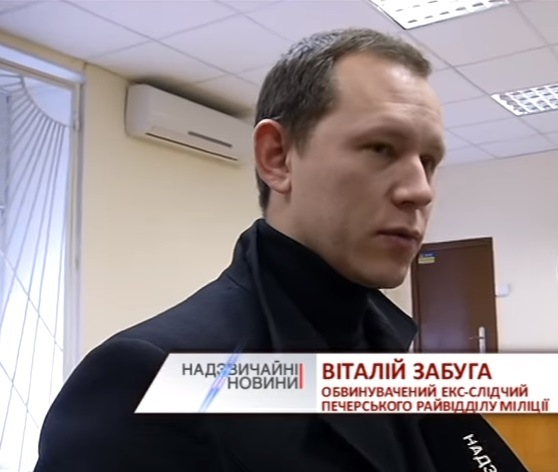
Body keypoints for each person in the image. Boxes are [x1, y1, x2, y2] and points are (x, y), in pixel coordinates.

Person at [36, 28, 447, 472]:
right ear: (278, 157)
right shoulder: (152, 379)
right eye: (381, 148)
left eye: (428, 162)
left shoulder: (391, 352)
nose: (420, 190)